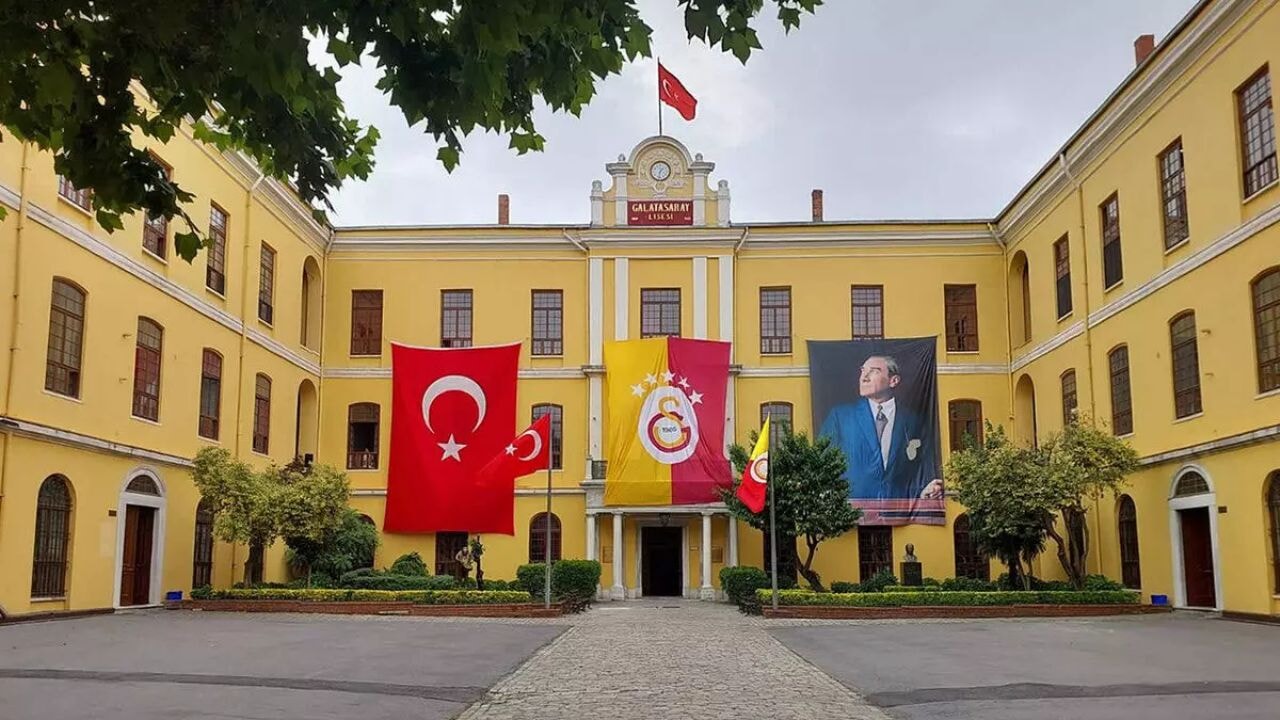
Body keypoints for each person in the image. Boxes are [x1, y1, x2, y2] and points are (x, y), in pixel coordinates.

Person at [818, 355, 943, 500]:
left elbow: (922, 469)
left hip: (898, 511)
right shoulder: (840, 417)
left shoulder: (914, 421)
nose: (864, 377)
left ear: (893, 381)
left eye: (874, 371)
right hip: (852, 511)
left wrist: (925, 490)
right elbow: (821, 463)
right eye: (863, 371)